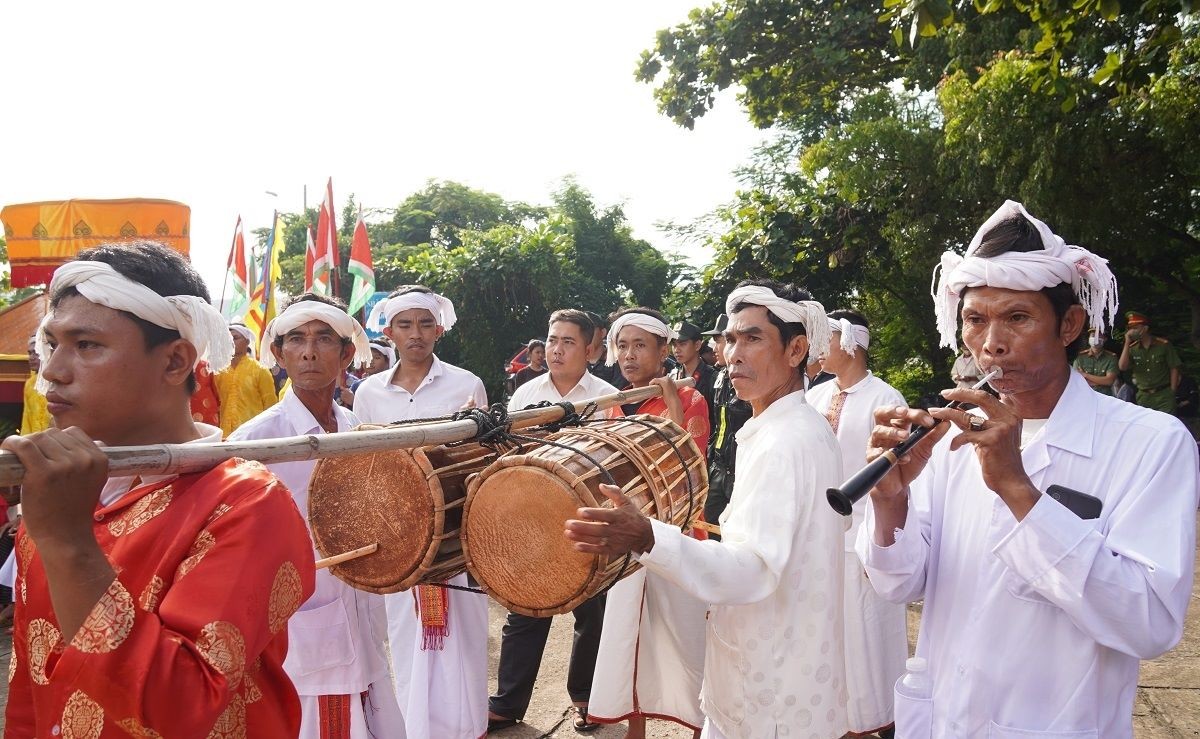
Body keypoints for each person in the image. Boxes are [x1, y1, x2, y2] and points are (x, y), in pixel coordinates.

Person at [859, 201, 1199, 736]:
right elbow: (899, 584)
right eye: (975, 319)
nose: (992, 342)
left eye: (1016, 317)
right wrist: (890, 501)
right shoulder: (949, 439)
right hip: (945, 717)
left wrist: (1019, 490)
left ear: (1069, 324)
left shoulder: (1151, 443)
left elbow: (1149, 623)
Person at [3, 241, 316, 735]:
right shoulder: (62, 495)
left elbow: (181, 710)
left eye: (86, 345)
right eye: (52, 344)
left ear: (175, 363)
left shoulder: (247, 504)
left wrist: (67, 543)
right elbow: (31, 689)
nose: (52, 372)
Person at [566, 279, 849, 739]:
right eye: (731, 338)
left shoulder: (788, 440)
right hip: (774, 675)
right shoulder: (782, 429)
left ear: (796, 350)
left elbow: (751, 569)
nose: (733, 353)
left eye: (752, 338)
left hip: (770, 693)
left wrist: (646, 536)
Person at [230, 294, 405, 738]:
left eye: (324, 339)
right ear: (279, 353)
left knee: (371, 708)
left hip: (361, 601)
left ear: (346, 353)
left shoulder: (354, 429)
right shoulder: (256, 440)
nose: (309, 351)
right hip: (298, 615)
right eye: (297, 340)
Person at [354, 285, 488, 739]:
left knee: (464, 637)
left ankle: (466, 729)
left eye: (425, 324)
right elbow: (363, 466)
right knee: (406, 636)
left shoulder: (467, 384)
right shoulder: (370, 393)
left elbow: (482, 459)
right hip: (399, 533)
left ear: (440, 329)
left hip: (456, 530)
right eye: (406, 325)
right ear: (388, 331)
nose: (416, 334)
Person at [492, 309, 621, 734]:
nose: (556, 349)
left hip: (587, 516)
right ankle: (508, 702)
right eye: (551, 340)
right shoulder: (525, 395)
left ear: (590, 349)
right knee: (525, 608)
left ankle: (587, 699)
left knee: (592, 612)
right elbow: (507, 458)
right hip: (531, 519)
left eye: (568, 341)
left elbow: (614, 463)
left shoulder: (606, 397)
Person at [587, 307, 710, 739]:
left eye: (640, 345)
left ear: (664, 351)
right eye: (622, 345)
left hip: (677, 535)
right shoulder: (612, 407)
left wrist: (673, 403)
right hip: (629, 538)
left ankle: (699, 729)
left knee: (686, 640)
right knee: (629, 637)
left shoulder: (691, 399)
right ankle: (633, 731)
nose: (629, 355)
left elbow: (687, 467)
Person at [807, 310, 907, 739]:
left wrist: (880, 543)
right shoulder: (813, 396)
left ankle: (883, 718)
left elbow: (896, 479)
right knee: (827, 634)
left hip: (866, 537)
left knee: (869, 636)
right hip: (820, 540)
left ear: (850, 343)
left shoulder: (887, 399)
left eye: (825, 339)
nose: (817, 348)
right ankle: (837, 719)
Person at [700, 314, 752, 542]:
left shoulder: (748, 378)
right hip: (718, 465)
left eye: (720, 340)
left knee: (737, 530)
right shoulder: (719, 377)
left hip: (739, 466)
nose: (715, 346)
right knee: (711, 523)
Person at [214, 322, 278, 436]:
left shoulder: (260, 370)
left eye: (235, 338)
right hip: (224, 435)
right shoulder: (218, 372)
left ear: (247, 342)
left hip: (253, 435)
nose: (231, 342)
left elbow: (271, 407)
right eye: (227, 338)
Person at [1118, 311, 1182, 413]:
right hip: (1144, 396)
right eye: (1130, 328)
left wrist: (1172, 390)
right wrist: (1126, 343)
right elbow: (1122, 367)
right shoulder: (1132, 348)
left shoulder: (1163, 345)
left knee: (1166, 425)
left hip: (1164, 394)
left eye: (1135, 328)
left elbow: (1174, 367)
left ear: (1145, 328)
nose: (1131, 331)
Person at [670, 319, 717, 412]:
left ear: (697, 345)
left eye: (682, 344)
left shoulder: (713, 378)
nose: (676, 350)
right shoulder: (673, 376)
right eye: (674, 345)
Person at [1073, 328, 1119, 395]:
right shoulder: (1080, 357)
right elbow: (1077, 379)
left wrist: (1085, 375)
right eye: (1093, 335)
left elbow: (1109, 381)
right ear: (1089, 338)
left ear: (1105, 339)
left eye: (1099, 336)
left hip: (1105, 396)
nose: (1096, 338)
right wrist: (1101, 382)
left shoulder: (1111, 358)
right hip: (1084, 394)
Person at [20, 334, 50, 435]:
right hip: (35, 441)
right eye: (29, 353)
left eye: (36, 353)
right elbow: (27, 418)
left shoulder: (58, 381)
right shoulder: (30, 384)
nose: (31, 358)